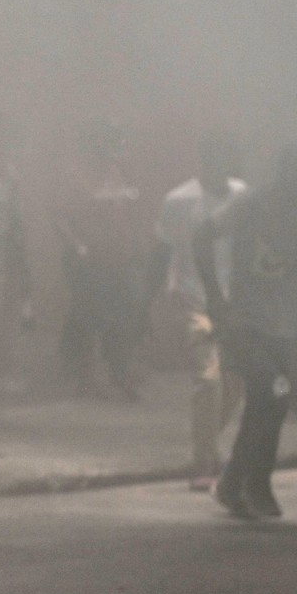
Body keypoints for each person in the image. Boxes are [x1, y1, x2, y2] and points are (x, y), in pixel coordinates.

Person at [194, 144, 297, 519]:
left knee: (269, 402)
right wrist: (214, 297)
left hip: (284, 327)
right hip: (244, 322)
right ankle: (255, 483)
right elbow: (201, 234)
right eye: (296, 181)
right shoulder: (250, 203)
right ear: (282, 177)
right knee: (273, 394)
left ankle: (234, 483)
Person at [150, 131, 247, 492]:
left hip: (236, 303)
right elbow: (162, 251)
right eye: (215, 159)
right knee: (209, 379)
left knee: (235, 382)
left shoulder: (242, 196)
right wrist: (158, 296)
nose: (221, 167)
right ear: (203, 161)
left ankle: (204, 446)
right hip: (195, 299)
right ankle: (205, 462)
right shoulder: (180, 200)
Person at [54, 119, 151, 400]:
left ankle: (120, 374)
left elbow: (124, 211)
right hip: (89, 260)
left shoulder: (116, 171)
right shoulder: (75, 175)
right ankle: (86, 377)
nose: (120, 149)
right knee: (90, 318)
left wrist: (135, 242)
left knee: (126, 316)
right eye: (114, 143)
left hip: (120, 257)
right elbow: (60, 217)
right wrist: (78, 246)